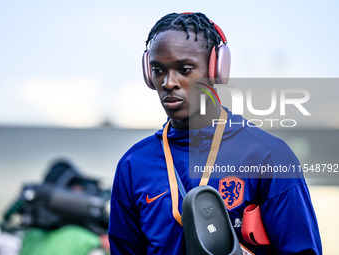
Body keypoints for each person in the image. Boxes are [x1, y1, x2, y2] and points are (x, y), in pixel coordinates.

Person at [108, 12, 322, 254]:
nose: (168, 82)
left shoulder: (267, 155)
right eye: (158, 70)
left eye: (185, 69)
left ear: (216, 69)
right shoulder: (133, 164)